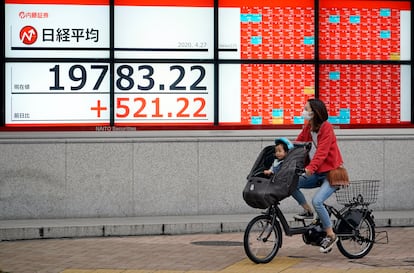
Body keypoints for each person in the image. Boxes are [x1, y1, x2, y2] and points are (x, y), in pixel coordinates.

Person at [291, 98, 344, 253]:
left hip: (331, 174)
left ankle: (330, 234)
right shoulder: (309, 126)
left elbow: (322, 153)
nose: (303, 111)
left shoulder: (326, 128)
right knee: (292, 183)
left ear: (314, 113)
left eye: (306, 109)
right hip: (317, 172)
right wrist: (285, 152)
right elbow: (298, 143)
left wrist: (310, 169)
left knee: (318, 201)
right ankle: (308, 211)